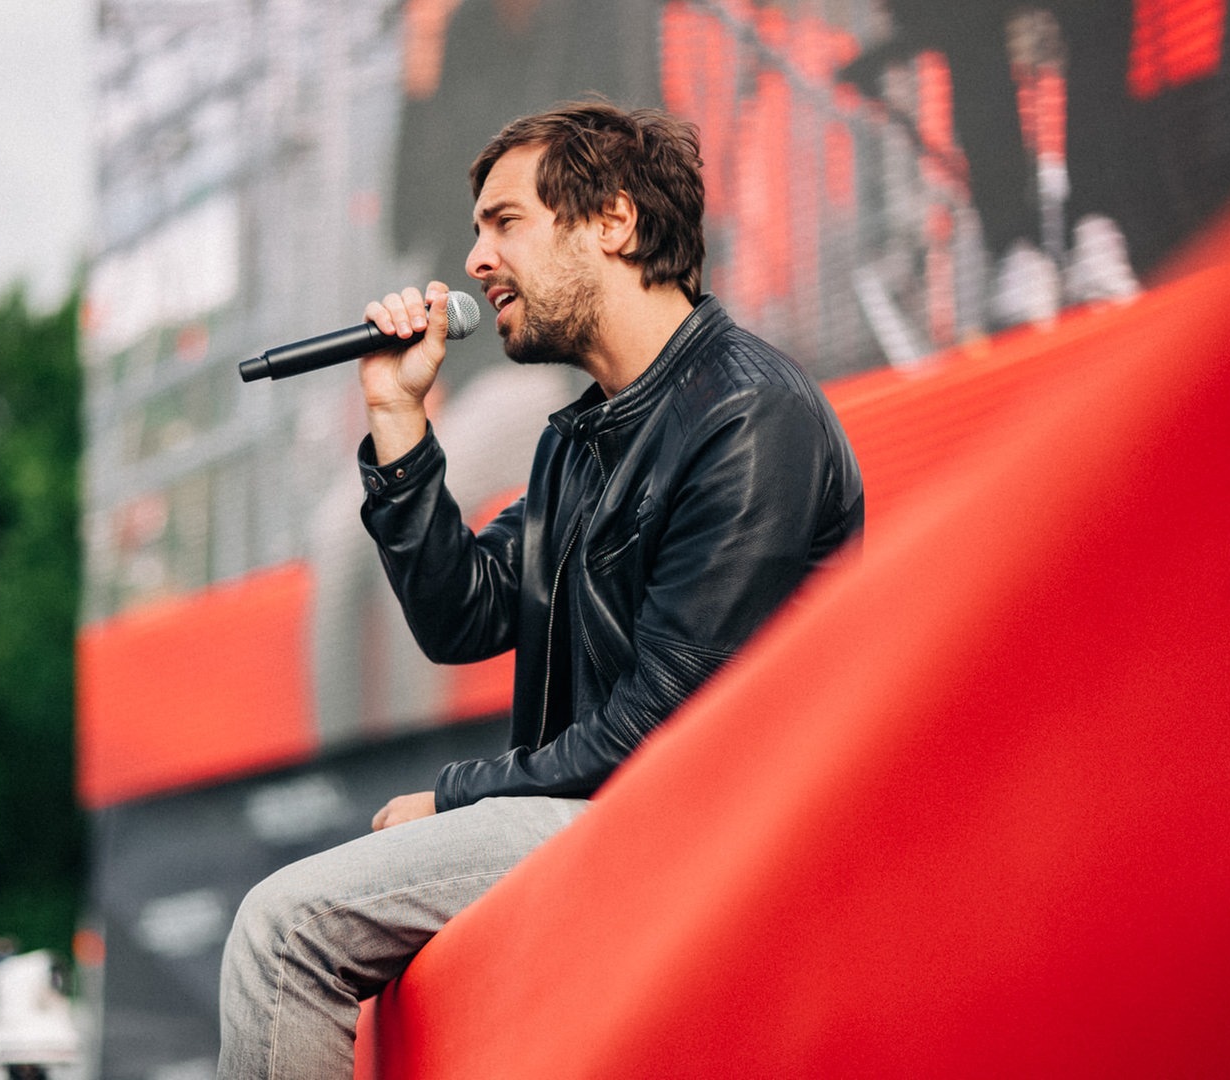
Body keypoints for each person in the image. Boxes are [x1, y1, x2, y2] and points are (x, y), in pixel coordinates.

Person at [217, 100, 863, 1080]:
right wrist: (398, 419)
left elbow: (668, 724)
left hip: (695, 824)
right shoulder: (581, 440)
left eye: (505, 222)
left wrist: (451, 798)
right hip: (617, 818)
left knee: (283, 931)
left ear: (613, 222)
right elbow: (463, 614)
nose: (474, 259)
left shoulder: (745, 414)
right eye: (477, 230)